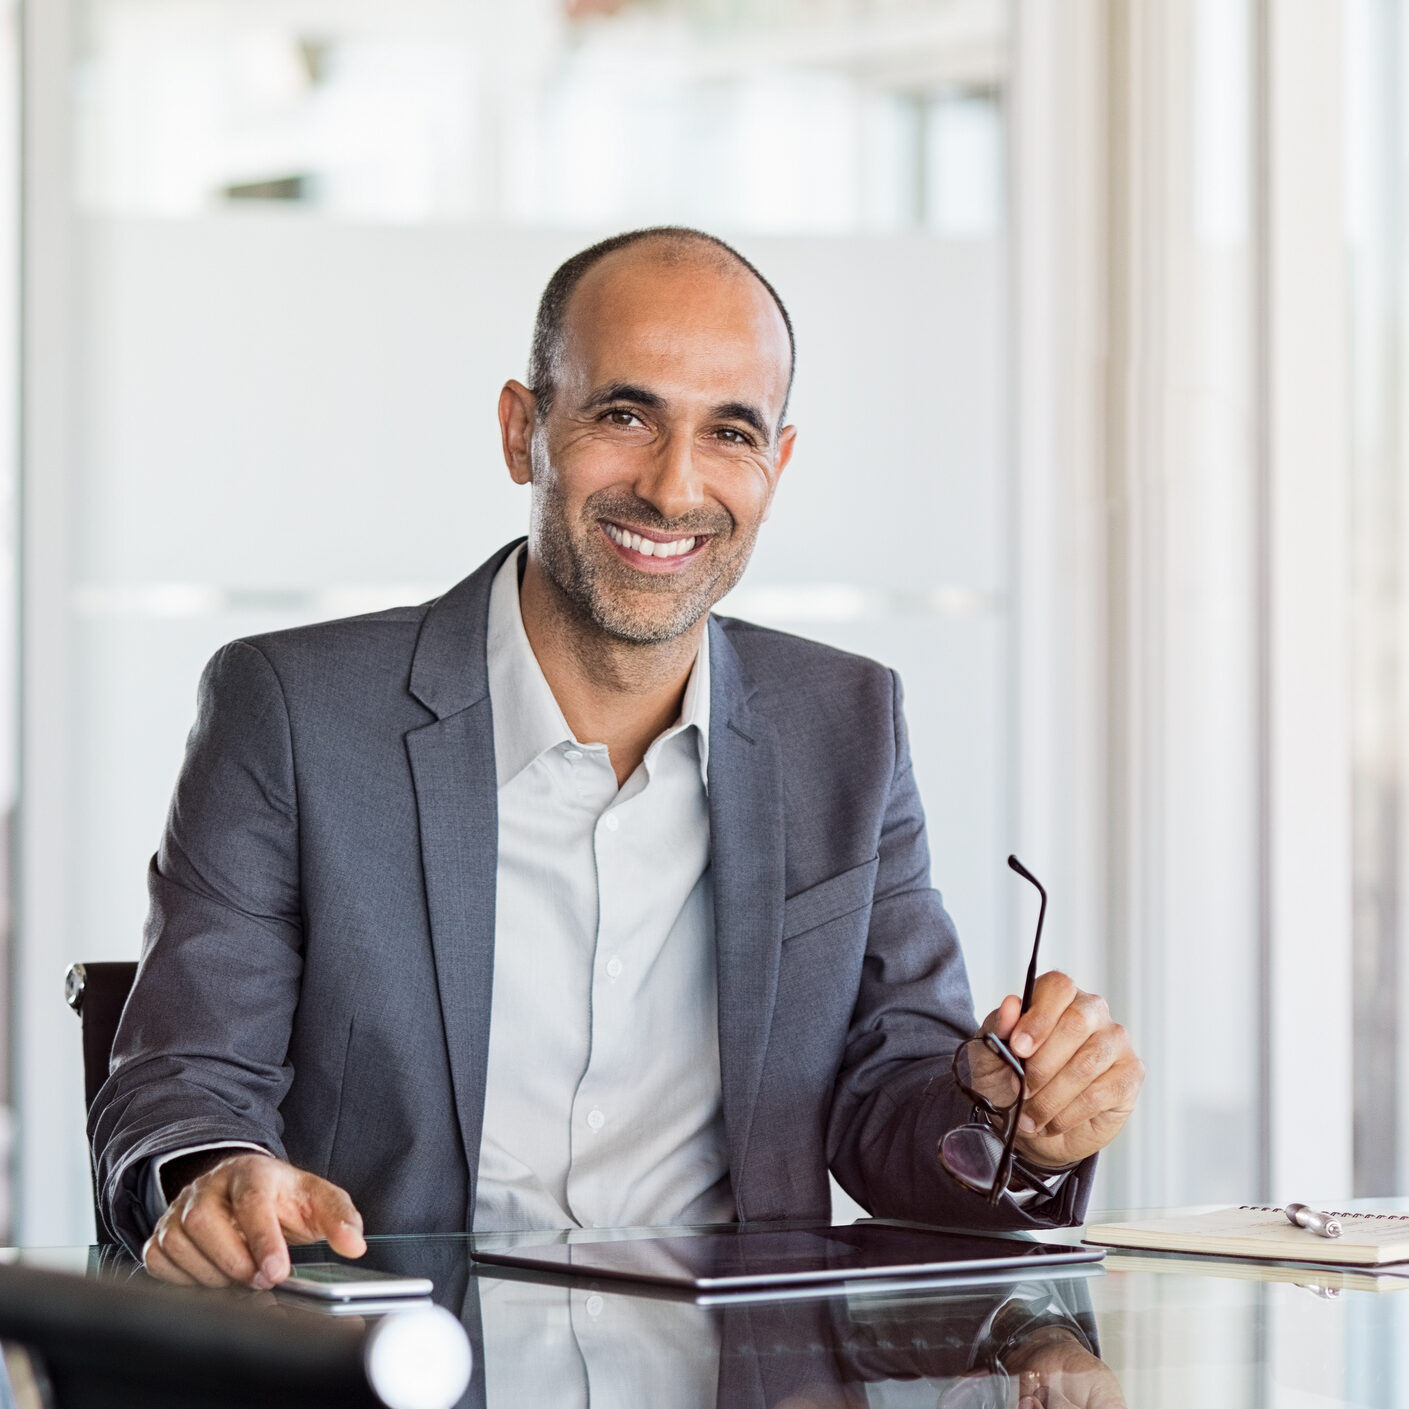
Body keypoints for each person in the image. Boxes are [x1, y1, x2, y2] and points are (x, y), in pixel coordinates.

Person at [89, 227, 1144, 1289]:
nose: (673, 485)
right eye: (625, 414)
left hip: (735, 1367)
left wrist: (1011, 1118)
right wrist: (220, 1172)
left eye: (729, 431)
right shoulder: (294, 710)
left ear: (774, 467)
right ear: (522, 431)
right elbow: (183, 1078)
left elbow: (893, 1101)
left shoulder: (845, 721)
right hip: (403, 1361)